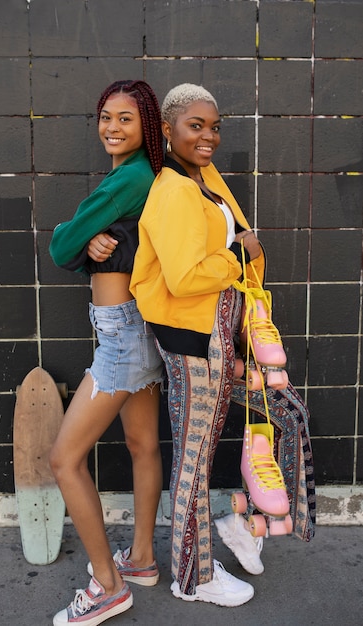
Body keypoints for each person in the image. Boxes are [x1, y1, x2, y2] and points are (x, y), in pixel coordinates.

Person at [130, 83, 315, 606]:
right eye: (195, 126)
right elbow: (186, 277)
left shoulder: (201, 178)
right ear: (167, 130)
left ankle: (240, 525)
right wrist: (239, 253)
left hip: (226, 341)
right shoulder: (171, 190)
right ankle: (194, 577)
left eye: (214, 126)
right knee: (194, 462)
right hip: (193, 346)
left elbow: (233, 237)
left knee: (287, 415)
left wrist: (241, 253)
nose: (208, 136)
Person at [49, 80, 164, 626]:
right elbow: (98, 242)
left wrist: (77, 238)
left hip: (122, 339)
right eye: (105, 117)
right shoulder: (143, 177)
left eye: (125, 119)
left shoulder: (130, 178)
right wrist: (95, 240)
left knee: (64, 459)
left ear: (147, 126)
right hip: (140, 330)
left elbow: (59, 247)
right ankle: (140, 560)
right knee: (142, 445)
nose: (112, 128)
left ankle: (107, 585)